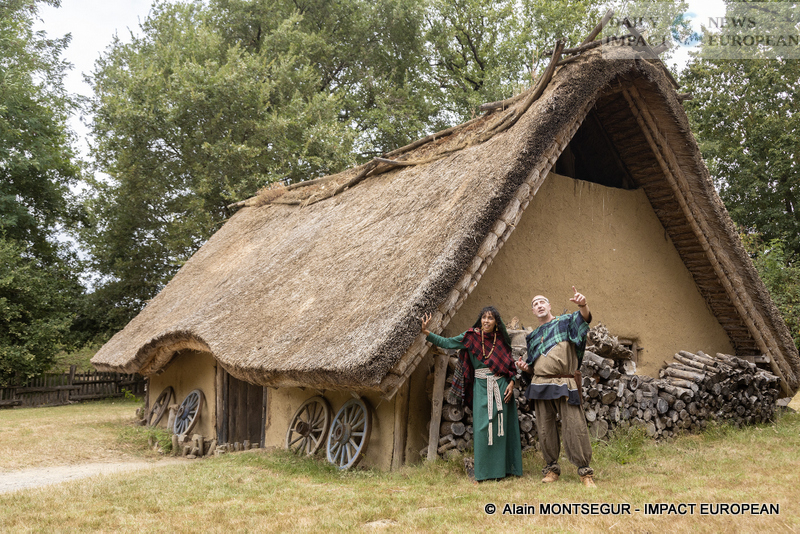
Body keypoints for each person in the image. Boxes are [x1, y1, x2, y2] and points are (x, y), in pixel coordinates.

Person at [421, 306, 522, 482]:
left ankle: (503, 470)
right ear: (480, 319)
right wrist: (427, 332)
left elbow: (511, 366)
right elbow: (448, 343)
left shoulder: (501, 341)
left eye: (490, 318)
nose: (486, 321)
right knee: (483, 429)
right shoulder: (471, 337)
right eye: (484, 317)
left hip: (502, 387)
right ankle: (484, 472)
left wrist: (512, 383)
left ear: (496, 322)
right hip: (482, 387)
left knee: (501, 429)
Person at [516, 286, 597, 488]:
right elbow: (534, 365)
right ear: (533, 312)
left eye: (542, 301)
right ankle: (551, 469)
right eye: (535, 304)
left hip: (564, 381)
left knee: (575, 426)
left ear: (549, 306)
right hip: (540, 383)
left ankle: (585, 473)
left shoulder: (565, 322)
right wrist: (526, 368)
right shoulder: (533, 337)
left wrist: (583, 304)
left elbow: (584, 320)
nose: (539, 305)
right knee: (545, 429)